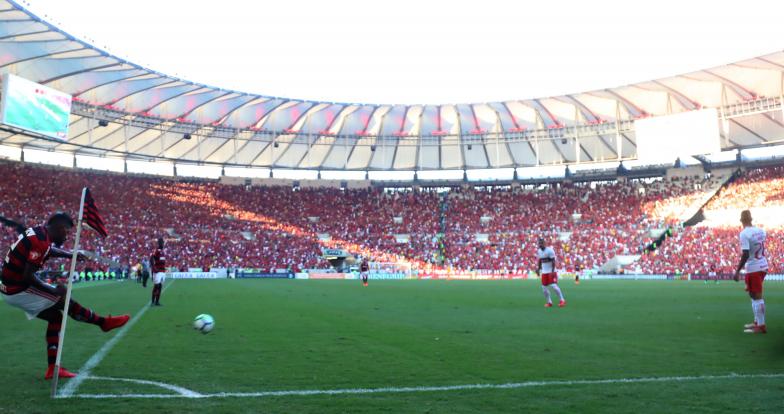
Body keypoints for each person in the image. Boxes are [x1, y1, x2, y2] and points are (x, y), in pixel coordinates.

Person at [0, 212, 130, 379]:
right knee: (62, 299)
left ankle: (53, 368)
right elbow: (28, 276)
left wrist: (69, 254)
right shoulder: (40, 241)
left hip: (11, 286)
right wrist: (52, 291)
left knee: (55, 318)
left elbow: (47, 250)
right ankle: (102, 323)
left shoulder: (39, 232)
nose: (68, 236)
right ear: (60, 228)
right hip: (16, 288)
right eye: (67, 232)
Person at [734, 210, 768, 334]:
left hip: (754, 267)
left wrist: (737, 271)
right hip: (763, 265)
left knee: (757, 296)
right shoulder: (761, 231)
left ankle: (761, 326)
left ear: (742, 221)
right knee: (753, 295)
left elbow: (746, 253)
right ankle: (757, 322)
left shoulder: (744, 234)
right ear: (751, 219)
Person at [536, 238, 565, 308]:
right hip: (544, 272)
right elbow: (540, 260)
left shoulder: (550, 250)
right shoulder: (539, 251)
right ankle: (549, 302)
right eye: (539, 243)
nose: (540, 245)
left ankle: (562, 300)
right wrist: (538, 269)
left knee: (554, 286)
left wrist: (552, 271)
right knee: (544, 288)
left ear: (544, 243)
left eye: (541, 243)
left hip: (551, 271)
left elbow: (553, 261)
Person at [150, 238, 166, 306]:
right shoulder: (156, 251)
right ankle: (153, 302)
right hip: (158, 271)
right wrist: (153, 267)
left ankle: (157, 302)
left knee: (160, 287)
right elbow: (151, 258)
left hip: (162, 271)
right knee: (156, 286)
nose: (162, 243)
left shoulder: (163, 251)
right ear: (159, 243)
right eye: (161, 242)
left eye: (163, 242)